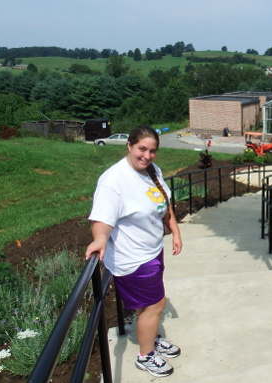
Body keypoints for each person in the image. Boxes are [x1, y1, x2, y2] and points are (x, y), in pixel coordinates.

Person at [85, 125, 182, 377]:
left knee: (147, 304)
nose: (147, 155)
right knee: (156, 305)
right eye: (142, 149)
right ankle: (145, 355)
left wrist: (176, 231)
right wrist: (99, 240)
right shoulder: (113, 181)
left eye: (152, 151)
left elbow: (164, 201)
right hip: (133, 257)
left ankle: (150, 337)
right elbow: (103, 220)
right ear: (129, 146)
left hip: (151, 250)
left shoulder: (152, 170)